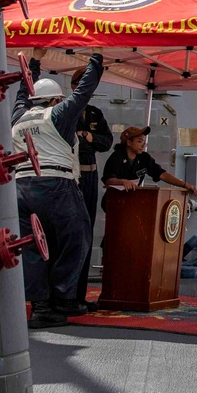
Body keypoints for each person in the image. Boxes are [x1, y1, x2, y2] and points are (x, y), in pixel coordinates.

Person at [10, 53, 105, 328]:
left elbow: (22, 90)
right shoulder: (59, 114)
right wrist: (96, 62)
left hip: (21, 188)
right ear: (55, 100)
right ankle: (63, 297)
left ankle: (40, 307)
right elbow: (84, 91)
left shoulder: (19, 115)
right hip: (57, 184)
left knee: (32, 247)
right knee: (78, 239)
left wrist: (34, 64)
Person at [70, 64, 113, 305]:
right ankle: (63, 295)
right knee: (71, 234)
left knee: (86, 232)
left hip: (89, 177)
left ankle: (78, 295)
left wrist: (89, 137)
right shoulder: (64, 111)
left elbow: (107, 142)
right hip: (70, 178)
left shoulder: (95, 114)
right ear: (75, 87)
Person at [102, 126, 193, 193]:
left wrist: (184, 184)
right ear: (129, 142)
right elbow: (108, 180)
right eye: (139, 141)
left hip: (134, 199)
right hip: (114, 200)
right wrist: (123, 182)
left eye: (144, 142)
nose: (143, 145)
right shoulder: (116, 157)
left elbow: (162, 174)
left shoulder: (144, 158)